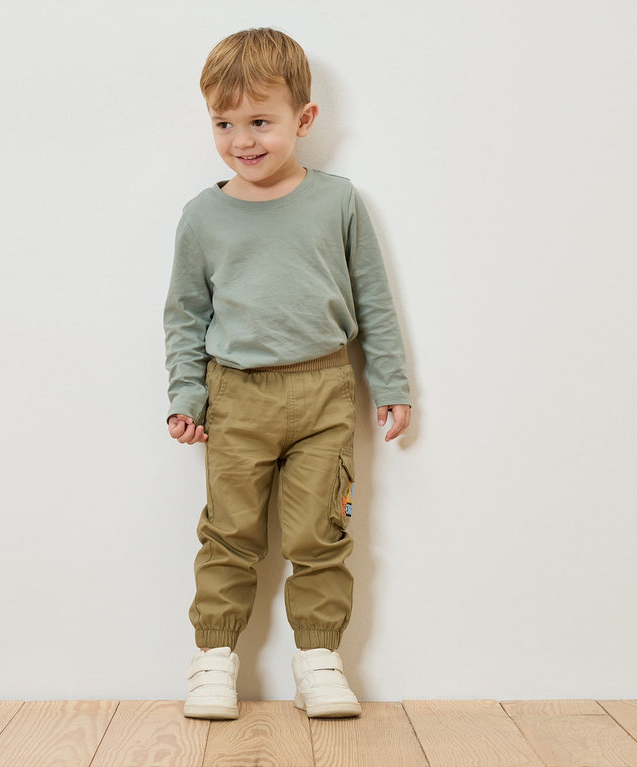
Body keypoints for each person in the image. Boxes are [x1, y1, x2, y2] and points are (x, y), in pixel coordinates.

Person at [164, 27, 412, 720]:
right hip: (235, 397)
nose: (242, 140)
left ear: (303, 120)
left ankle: (319, 659)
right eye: (224, 123)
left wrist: (390, 384)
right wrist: (187, 394)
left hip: (324, 394)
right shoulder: (202, 217)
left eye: (261, 122)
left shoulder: (338, 202)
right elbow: (184, 315)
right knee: (228, 533)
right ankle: (213, 657)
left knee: (320, 532)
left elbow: (374, 303)